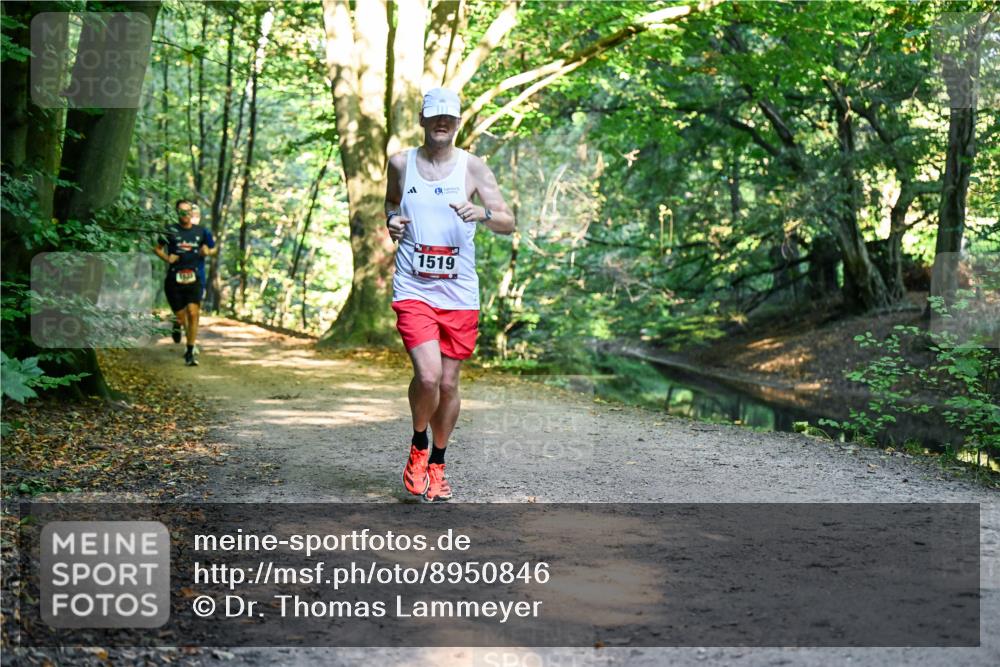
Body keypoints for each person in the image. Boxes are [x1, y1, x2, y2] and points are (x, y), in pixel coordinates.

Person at [385, 87, 515, 502]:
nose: (442, 123)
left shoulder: (473, 168)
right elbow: (390, 204)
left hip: (458, 292)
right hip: (414, 286)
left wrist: (483, 213)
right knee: (428, 376)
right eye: (435, 116)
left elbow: (508, 222)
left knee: (450, 383)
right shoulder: (401, 163)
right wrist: (392, 222)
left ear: (458, 123)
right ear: (423, 120)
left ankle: (438, 462)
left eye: (450, 118)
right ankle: (419, 445)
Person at [154, 200, 217, 366]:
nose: (185, 214)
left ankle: (190, 351)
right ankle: (177, 322)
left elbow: (213, 248)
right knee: (183, 318)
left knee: (193, 312)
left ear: (192, 212)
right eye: (182, 212)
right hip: (174, 279)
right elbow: (157, 248)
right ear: (177, 213)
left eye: (188, 211)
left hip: (194, 278)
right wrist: (168, 258)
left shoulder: (201, 231)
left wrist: (207, 252)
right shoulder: (170, 230)